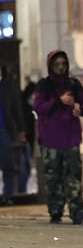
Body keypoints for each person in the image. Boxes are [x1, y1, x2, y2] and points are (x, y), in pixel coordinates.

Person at [33, 50, 83, 224]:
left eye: (63, 64)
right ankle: (55, 210)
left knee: (73, 178)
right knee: (53, 179)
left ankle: (77, 211)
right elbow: (39, 107)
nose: (60, 68)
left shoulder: (73, 84)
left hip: (70, 139)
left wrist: (78, 108)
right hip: (51, 141)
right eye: (57, 64)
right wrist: (58, 101)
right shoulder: (44, 86)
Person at [0, 65, 26, 205]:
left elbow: (17, 109)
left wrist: (21, 130)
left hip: (4, 129)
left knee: (7, 164)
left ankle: (7, 194)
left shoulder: (8, 87)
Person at [18, 80, 37, 193]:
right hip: (23, 141)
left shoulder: (29, 108)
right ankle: (21, 190)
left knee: (26, 167)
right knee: (24, 167)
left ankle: (22, 189)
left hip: (27, 140)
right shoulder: (24, 108)